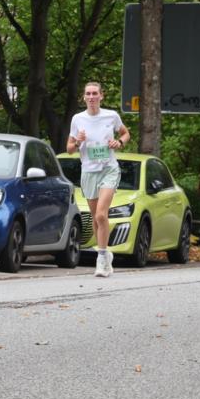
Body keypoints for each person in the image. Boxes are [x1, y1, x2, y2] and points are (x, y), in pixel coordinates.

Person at [66, 81, 130, 278]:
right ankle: (105, 253)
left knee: (101, 215)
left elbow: (126, 133)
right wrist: (78, 141)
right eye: (88, 94)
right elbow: (69, 149)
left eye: (95, 93)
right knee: (96, 217)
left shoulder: (111, 116)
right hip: (88, 171)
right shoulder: (78, 119)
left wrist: (119, 142)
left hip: (108, 169)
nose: (92, 97)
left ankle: (101, 258)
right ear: (84, 97)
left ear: (101, 96)